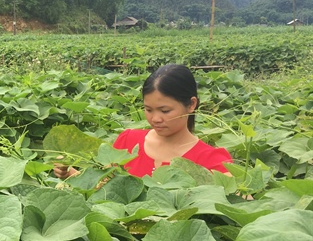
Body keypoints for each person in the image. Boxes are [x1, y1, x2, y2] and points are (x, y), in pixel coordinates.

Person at [54, 64, 231, 179]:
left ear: (191, 104)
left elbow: (240, 203)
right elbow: (105, 190)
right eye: (148, 109)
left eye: (165, 110)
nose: (155, 119)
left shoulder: (212, 161)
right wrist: (70, 173)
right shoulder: (128, 141)